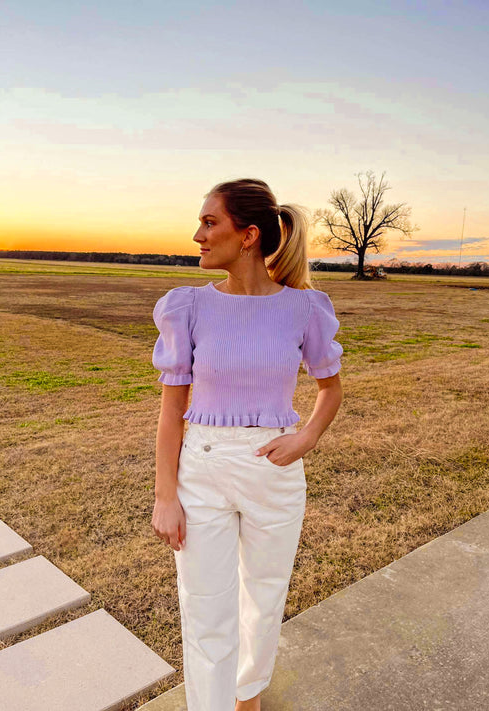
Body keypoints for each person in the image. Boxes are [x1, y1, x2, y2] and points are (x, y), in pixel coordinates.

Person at [151, 178, 343, 711]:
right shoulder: (186, 307)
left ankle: (248, 694)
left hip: (273, 473)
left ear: (250, 235)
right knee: (206, 607)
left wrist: (304, 438)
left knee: (263, 596)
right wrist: (166, 497)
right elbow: (171, 413)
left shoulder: (304, 309)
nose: (198, 235)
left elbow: (330, 389)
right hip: (203, 470)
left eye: (210, 223)